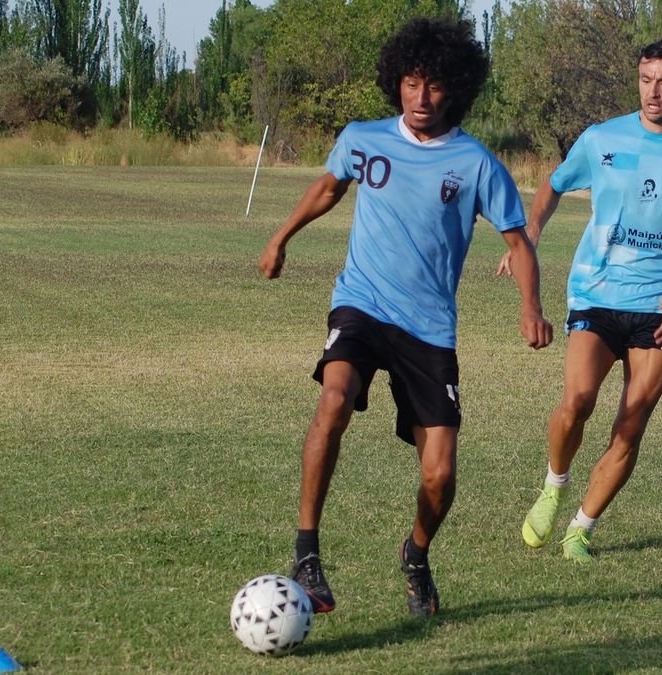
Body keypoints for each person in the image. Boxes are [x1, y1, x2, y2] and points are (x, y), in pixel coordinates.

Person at [259, 17, 552, 617]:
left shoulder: (476, 164)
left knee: (440, 476)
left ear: (456, 90)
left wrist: (530, 306)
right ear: (396, 82)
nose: (421, 97)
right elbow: (327, 188)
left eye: (435, 85)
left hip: (428, 329)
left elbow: (518, 242)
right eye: (411, 82)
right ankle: (307, 552)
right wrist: (281, 236)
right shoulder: (364, 138)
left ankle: (416, 555)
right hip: (362, 303)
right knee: (334, 399)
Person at [499, 38, 662, 562]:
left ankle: (581, 528)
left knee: (631, 422)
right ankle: (555, 484)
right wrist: (530, 233)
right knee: (576, 403)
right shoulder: (602, 138)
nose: (653, 92)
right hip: (597, 292)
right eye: (646, 80)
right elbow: (552, 186)